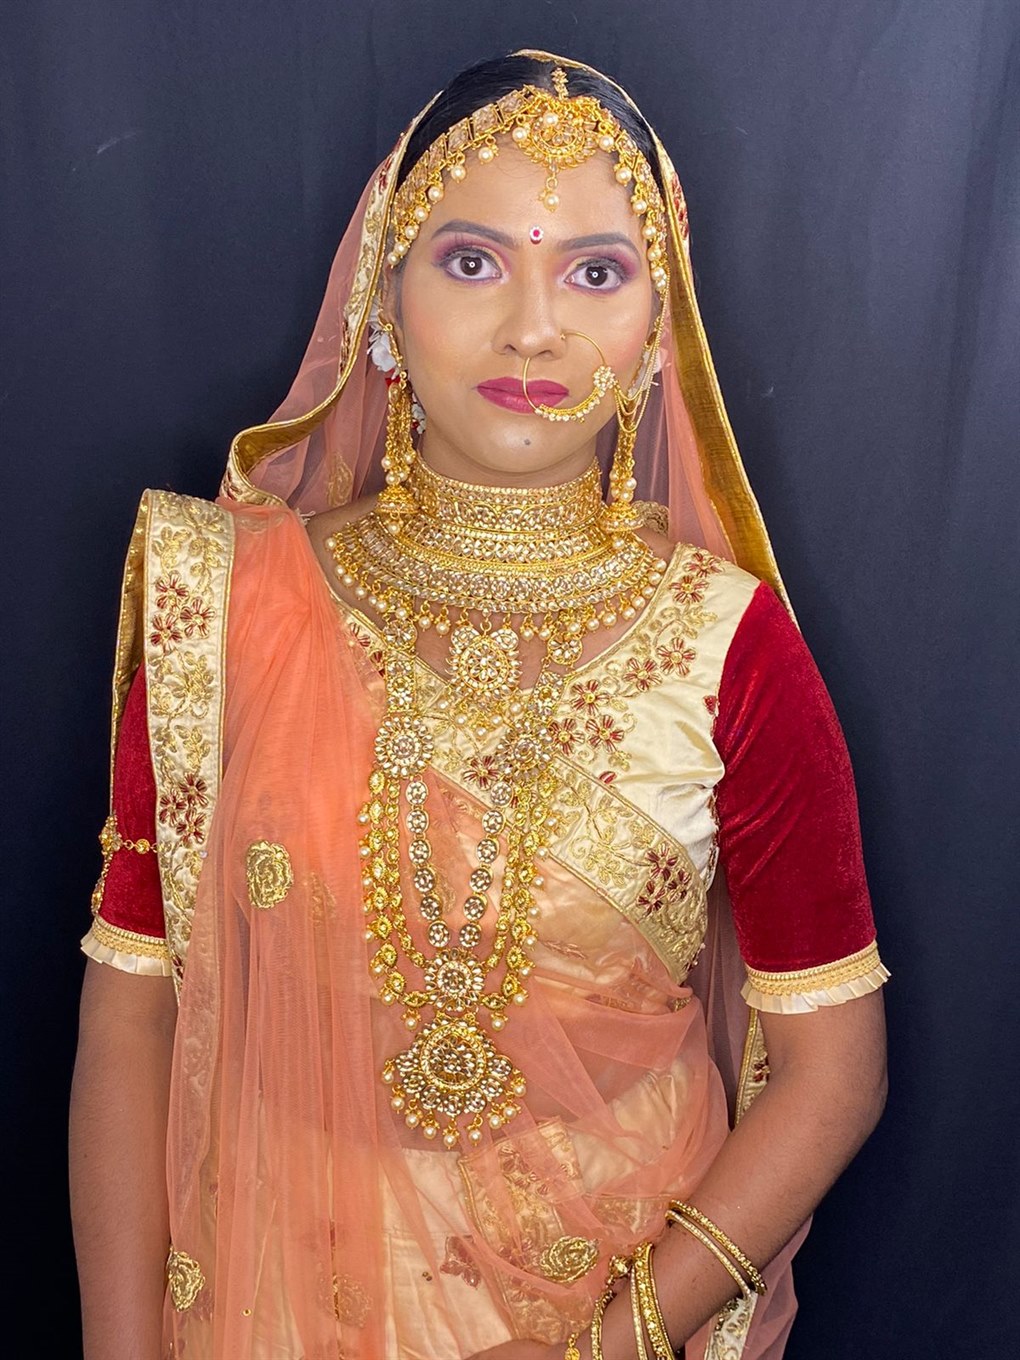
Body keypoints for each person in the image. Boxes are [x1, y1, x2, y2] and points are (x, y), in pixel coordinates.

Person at [69, 50, 889, 1360]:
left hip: (615, 1298)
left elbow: (835, 1072)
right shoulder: (229, 610)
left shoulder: (728, 648)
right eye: (471, 261)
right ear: (381, 298)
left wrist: (608, 1348)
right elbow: (132, 1011)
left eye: (596, 272)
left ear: (656, 325)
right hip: (267, 1292)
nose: (533, 328)